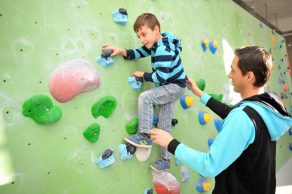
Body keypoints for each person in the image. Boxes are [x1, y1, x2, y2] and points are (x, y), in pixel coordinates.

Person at [149, 46, 292, 194]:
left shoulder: (243, 117)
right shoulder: (264, 108)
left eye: (233, 70)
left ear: (249, 76)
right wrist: (198, 93)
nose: (229, 74)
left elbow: (209, 165)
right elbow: (231, 113)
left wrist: (170, 143)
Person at [102, 13, 186, 172]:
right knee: (164, 125)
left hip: (174, 86)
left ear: (156, 29)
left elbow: (161, 76)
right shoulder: (156, 43)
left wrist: (143, 75)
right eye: (139, 36)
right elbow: (138, 52)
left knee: (145, 98)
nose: (141, 39)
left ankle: (145, 136)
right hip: (174, 86)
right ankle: (166, 160)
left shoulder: (163, 48)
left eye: (144, 34)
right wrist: (120, 51)